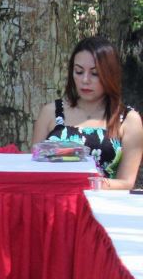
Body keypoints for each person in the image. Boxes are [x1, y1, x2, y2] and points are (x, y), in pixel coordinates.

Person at [30, 35, 143, 189]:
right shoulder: (50, 113)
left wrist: (85, 183)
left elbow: (126, 183)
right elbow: (32, 170)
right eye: (79, 71)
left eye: (95, 73)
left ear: (111, 74)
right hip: (54, 205)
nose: (85, 80)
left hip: (101, 208)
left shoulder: (128, 120)